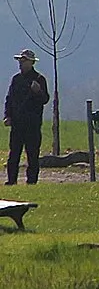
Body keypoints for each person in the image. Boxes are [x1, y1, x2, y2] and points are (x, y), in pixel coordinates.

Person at [3, 50, 49, 187]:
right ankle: (11, 181)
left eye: (24, 61)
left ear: (31, 62)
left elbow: (45, 99)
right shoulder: (16, 79)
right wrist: (7, 115)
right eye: (20, 61)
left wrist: (38, 92)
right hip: (17, 124)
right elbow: (9, 99)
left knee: (32, 155)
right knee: (14, 155)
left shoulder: (39, 79)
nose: (21, 64)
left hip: (33, 124)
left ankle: (32, 182)